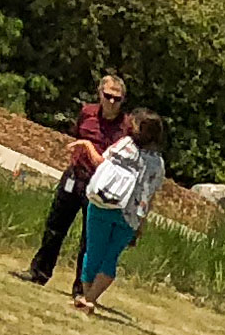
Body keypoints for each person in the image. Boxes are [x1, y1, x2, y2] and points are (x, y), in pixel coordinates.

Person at [25, 73, 127, 288]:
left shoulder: (126, 129)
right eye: (108, 96)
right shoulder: (87, 113)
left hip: (100, 186)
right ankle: (39, 272)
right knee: (55, 227)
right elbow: (77, 136)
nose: (111, 102)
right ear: (99, 94)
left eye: (117, 99)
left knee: (89, 240)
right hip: (75, 176)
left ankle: (81, 287)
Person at [69, 113, 161, 316]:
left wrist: (86, 145)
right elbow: (151, 195)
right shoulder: (158, 164)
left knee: (93, 252)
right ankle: (91, 299)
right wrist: (141, 224)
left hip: (103, 203)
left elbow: (100, 162)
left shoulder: (124, 145)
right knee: (110, 257)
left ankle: (85, 297)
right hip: (130, 216)